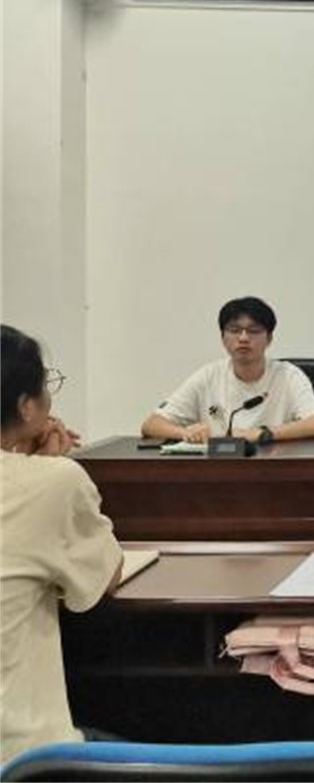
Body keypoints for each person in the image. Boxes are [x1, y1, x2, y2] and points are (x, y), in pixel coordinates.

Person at [1, 324, 124, 762]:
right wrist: (48, 468)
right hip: (23, 759)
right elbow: (107, 577)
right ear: (25, 405)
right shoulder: (56, 480)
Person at [140, 296, 314, 445]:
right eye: (235, 330)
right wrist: (185, 432)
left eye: (253, 331)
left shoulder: (289, 375)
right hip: (219, 470)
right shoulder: (208, 376)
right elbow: (151, 424)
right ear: (223, 338)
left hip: (274, 469)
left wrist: (263, 434)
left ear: (269, 338)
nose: (243, 338)